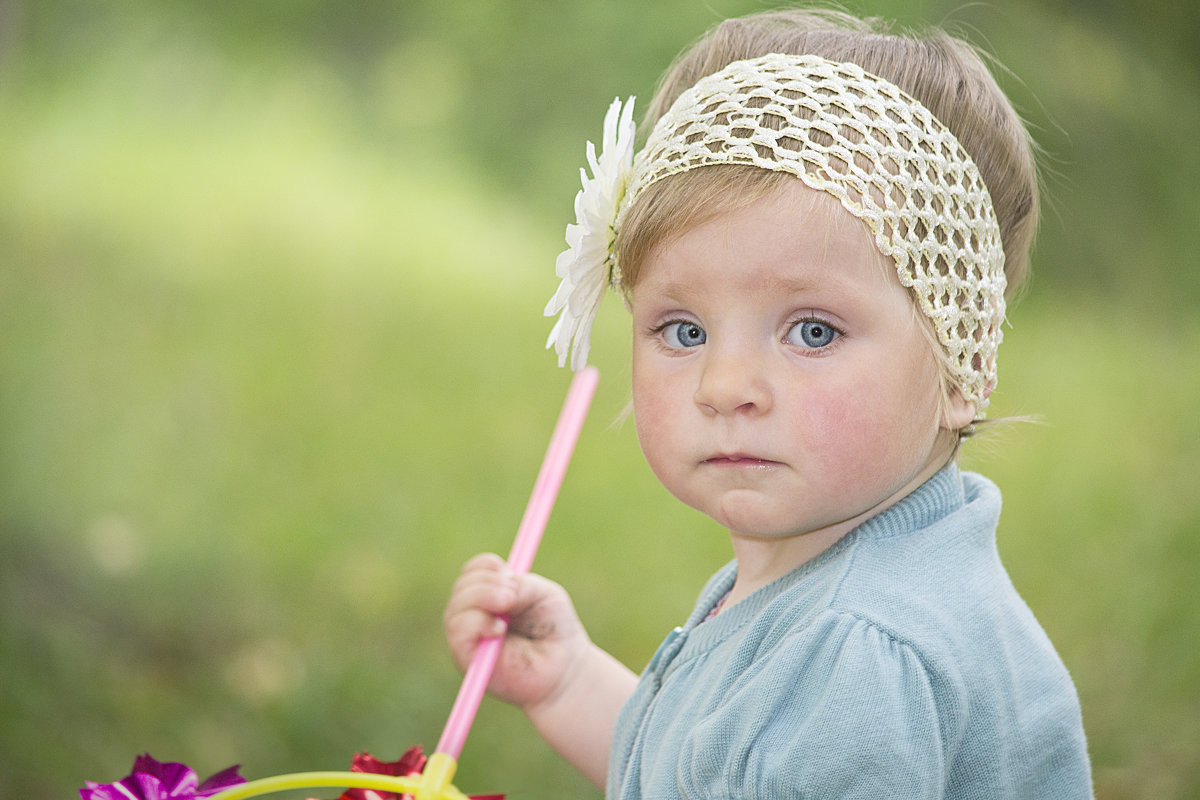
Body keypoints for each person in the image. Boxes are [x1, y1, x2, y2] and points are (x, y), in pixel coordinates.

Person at [443, 7, 1092, 798]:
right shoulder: (859, 572)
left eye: (813, 331)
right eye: (683, 330)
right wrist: (569, 683)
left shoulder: (858, 657)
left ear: (963, 360)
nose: (724, 387)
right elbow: (715, 770)